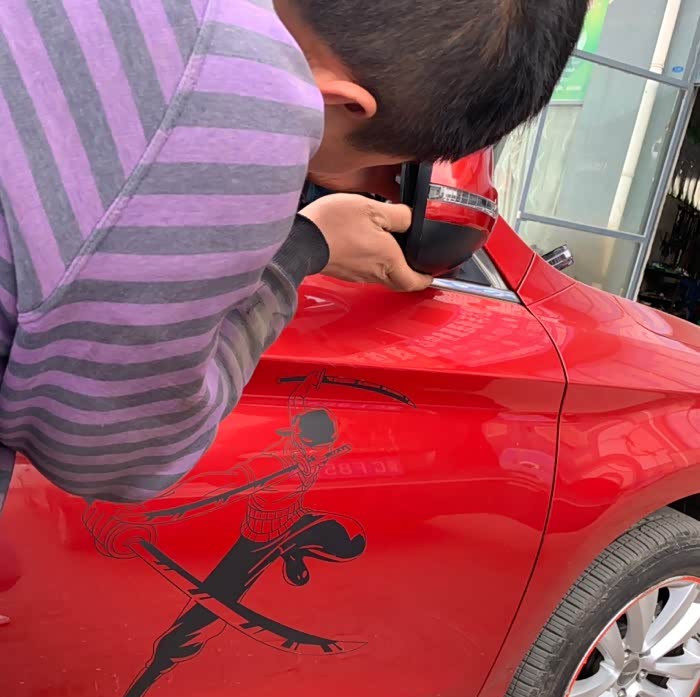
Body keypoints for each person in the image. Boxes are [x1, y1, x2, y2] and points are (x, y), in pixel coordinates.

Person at [0, 0, 588, 511]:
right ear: (342, 102)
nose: (381, 189)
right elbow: (118, 455)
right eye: (390, 167)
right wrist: (304, 246)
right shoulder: (238, 101)